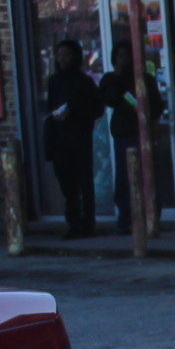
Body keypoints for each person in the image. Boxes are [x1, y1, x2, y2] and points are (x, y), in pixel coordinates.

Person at [99, 40, 163, 239]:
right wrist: (118, 78)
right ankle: (125, 219)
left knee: (148, 176)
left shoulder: (145, 79)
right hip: (123, 135)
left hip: (142, 133)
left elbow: (157, 106)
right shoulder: (110, 79)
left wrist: (146, 114)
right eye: (119, 56)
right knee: (124, 180)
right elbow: (108, 99)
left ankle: (151, 218)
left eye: (127, 56)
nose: (123, 60)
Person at [43, 40, 104, 240]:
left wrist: (75, 112)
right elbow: (50, 109)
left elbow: (97, 109)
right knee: (67, 184)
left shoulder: (84, 82)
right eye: (59, 55)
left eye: (67, 55)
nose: (62, 59)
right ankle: (73, 222)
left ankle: (87, 224)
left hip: (79, 138)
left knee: (84, 183)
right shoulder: (54, 81)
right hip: (60, 140)